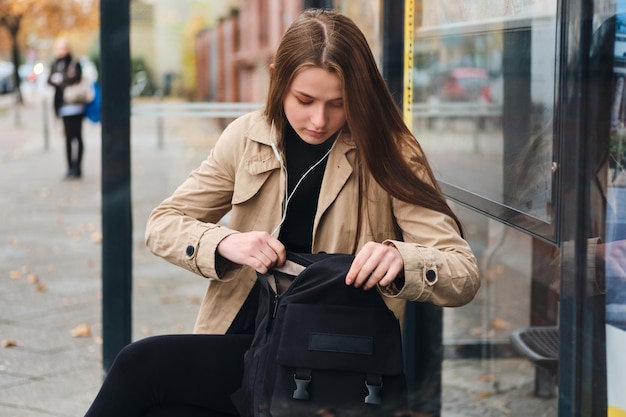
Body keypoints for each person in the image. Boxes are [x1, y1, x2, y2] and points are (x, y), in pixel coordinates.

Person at [83, 9, 480, 417]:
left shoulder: (389, 150)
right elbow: (162, 223)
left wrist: (401, 259)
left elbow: (462, 273)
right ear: (277, 78)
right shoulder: (247, 138)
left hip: (329, 358)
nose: (319, 120)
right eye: (304, 100)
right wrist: (227, 241)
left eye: (339, 104)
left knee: (143, 369)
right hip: (247, 340)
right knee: (149, 387)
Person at [47, 37, 86, 179]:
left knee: (78, 137)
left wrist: (61, 79)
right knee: (68, 138)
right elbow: (50, 80)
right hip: (62, 106)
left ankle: (78, 167)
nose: (60, 51)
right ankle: (70, 168)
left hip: (76, 105)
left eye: (63, 48)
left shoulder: (74, 63)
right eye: (58, 48)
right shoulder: (55, 64)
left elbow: (76, 78)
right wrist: (63, 79)